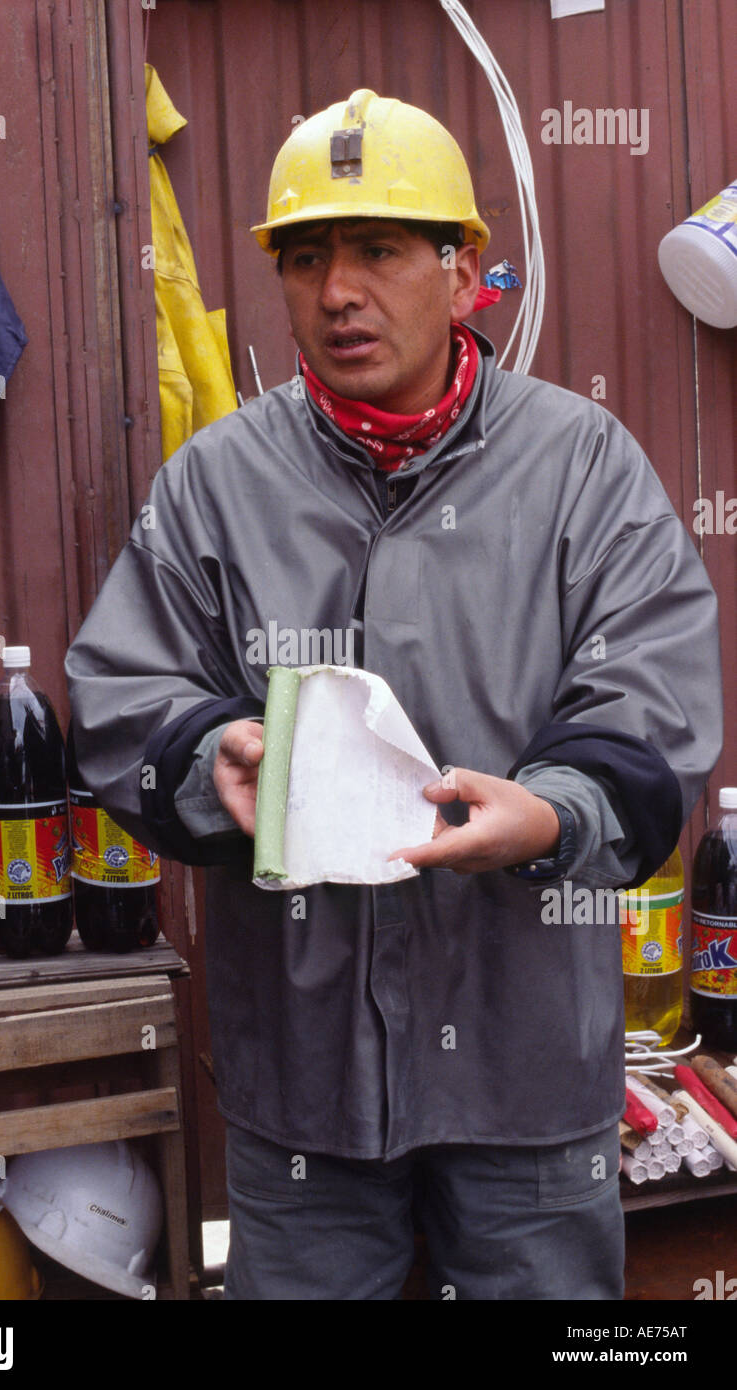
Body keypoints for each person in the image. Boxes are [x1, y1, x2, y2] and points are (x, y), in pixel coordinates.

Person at [65, 90, 722, 1300]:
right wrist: (207, 752)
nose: (336, 292)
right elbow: (122, 689)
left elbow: (649, 698)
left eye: (377, 250)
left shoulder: (580, 466)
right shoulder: (217, 481)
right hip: (301, 1075)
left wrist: (555, 812)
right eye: (306, 258)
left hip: (524, 1063)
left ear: (462, 270)